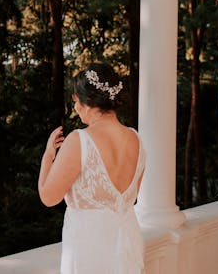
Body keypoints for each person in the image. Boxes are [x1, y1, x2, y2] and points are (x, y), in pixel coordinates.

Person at [38, 62, 145, 274]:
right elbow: (130, 198)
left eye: (76, 102)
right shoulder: (136, 139)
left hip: (88, 252)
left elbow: (48, 197)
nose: (76, 109)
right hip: (127, 250)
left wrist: (48, 156)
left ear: (88, 102)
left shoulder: (79, 140)